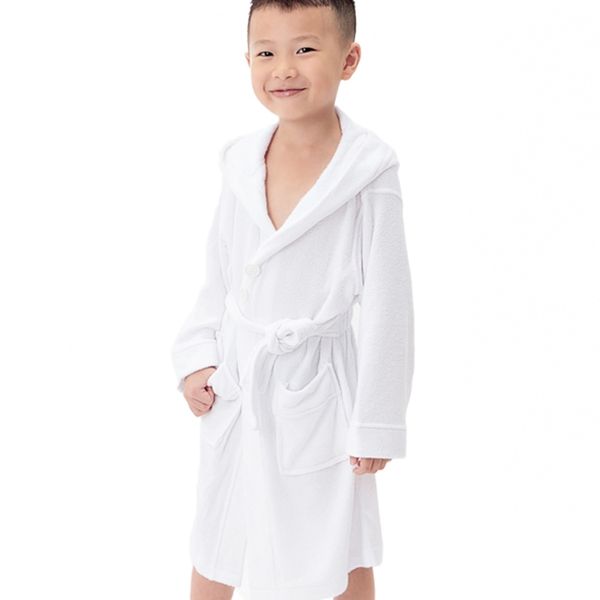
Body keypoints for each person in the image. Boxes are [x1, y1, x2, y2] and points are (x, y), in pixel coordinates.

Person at [171, 1, 415, 598]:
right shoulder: (240, 163)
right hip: (239, 381)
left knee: (337, 542)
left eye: (305, 49)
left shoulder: (368, 172)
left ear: (349, 60)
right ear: (248, 62)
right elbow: (219, 275)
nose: (283, 68)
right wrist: (198, 356)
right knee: (220, 534)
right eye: (266, 52)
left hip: (320, 392)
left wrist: (376, 422)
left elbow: (389, 306)